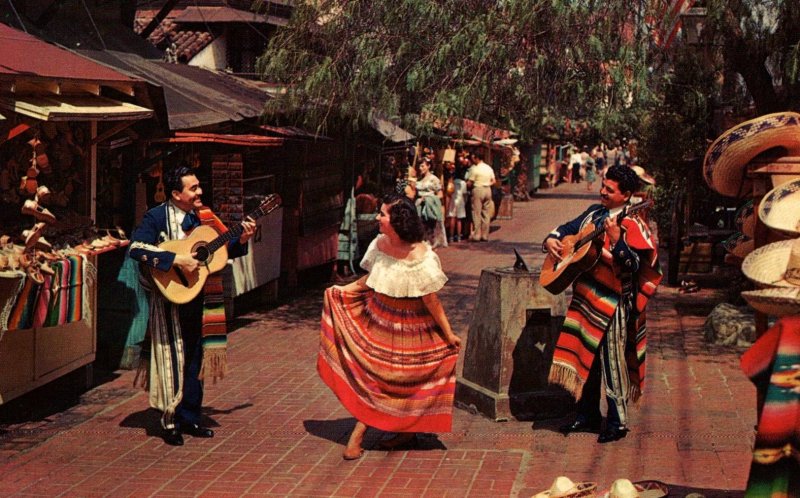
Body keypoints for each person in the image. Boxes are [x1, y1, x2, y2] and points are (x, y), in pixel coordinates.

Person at [318, 193, 461, 460]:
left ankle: (381, 433)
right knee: (377, 380)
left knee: (403, 382)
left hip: (413, 329)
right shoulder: (379, 244)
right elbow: (371, 279)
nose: (378, 218)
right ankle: (379, 433)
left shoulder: (422, 255)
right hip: (380, 323)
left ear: (398, 221)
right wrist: (340, 291)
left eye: (383, 214)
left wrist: (448, 333)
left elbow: (431, 300)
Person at [129, 164, 256, 446]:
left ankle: (190, 416)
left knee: (196, 356)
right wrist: (175, 260)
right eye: (193, 188)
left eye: (199, 186)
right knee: (173, 357)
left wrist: (243, 238)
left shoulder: (206, 218)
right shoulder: (156, 217)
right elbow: (136, 248)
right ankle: (170, 421)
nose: (200, 191)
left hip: (200, 297)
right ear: (175, 193)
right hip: (171, 298)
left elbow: (222, 246)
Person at [542, 164, 662, 443]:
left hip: (613, 301)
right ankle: (587, 414)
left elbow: (635, 265)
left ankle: (618, 422)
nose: (602, 192)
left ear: (627, 195)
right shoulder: (594, 214)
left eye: (609, 189)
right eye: (603, 186)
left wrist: (619, 241)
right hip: (586, 297)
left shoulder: (633, 224)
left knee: (611, 362)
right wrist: (551, 239)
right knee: (587, 357)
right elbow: (566, 229)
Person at [465, 152, 496, 241]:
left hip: (478, 189)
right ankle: (485, 235)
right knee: (486, 213)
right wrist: (487, 184)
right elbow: (493, 181)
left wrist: (466, 183)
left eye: (473, 158)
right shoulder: (488, 168)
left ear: (476, 158)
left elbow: (470, 182)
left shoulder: (475, 169)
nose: (472, 159)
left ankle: (477, 235)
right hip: (488, 190)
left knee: (476, 212)